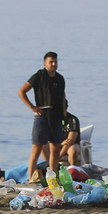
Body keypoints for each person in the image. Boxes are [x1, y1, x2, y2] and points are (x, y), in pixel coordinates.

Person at [18, 52, 66, 183]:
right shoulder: (38, 76)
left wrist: (64, 112)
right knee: (37, 147)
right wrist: (33, 107)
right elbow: (21, 91)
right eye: (51, 62)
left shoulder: (60, 78)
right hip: (42, 115)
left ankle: (53, 177)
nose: (54, 64)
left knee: (55, 148)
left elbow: (62, 95)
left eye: (55, 61)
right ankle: (31, 178)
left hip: (56, 116)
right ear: (45, 63)